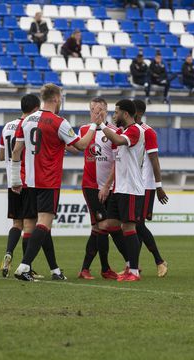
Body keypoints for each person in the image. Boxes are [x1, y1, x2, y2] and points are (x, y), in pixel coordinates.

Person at [11, 84, 98, 282]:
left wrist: (16, 179)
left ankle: (54, 270)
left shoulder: (25, 121)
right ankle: (24, 266)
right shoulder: (59, 122)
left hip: (28, 182)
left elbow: (16, 151)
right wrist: (93, 125)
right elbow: (82, 145)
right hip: (48, 181)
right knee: (44, 223)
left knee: (34, 226)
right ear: (57, 99)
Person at [96, 100, 146, 282]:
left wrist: (100, 124)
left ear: (125, 114)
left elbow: (116, 139)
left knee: (129, 227)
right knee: (110, 224)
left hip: (131, 188)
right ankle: (129, 265)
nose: (114, 116)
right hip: (119, 188)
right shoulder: (124, 131)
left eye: (116, 112)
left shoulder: (134, 131)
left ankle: (133, 271)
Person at [77, 97, 119, 281]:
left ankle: (85, 269)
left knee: (98, 228)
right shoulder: (84, 130)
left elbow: (117, 162)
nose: (96, 112)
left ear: (106, 111)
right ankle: (105, 268)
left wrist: (108, 186)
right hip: (91, 186)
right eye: (93, 109)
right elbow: (80, 147)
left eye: (100, 109)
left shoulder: (114, 132)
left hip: (108, 186)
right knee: (102, 225)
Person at [0, 95, 40, 277]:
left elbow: (1, 156)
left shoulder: (7, 126)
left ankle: (9, 252)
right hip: (27, 179)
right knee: (30, 224)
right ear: (35, 108)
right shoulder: (29, 125)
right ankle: (26, 266)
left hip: (11, 179)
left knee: (17, 223)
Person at [132, 100, 168, 278]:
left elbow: (154, 160)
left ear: (136, 113)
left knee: (138, 224)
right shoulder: (129, 131)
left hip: (146, 185)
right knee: (137, 225)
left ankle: (159, 261)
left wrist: (159, 187)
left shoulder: (148, 132)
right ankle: (134, 266)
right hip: (133, 185)